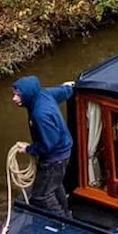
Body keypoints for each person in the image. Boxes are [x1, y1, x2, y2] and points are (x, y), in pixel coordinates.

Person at [12, 76, 74, 217]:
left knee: (41, 195)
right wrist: (70, 87)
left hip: (54, 158)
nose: (14, 99)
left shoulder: (40, 115)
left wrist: (28, 149)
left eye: (17, 95)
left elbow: (49, 145)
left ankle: (63, 221)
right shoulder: (44, 94)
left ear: (28, 94)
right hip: (63, 151)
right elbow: (62, 92)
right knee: (55, 185)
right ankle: (66, 213)